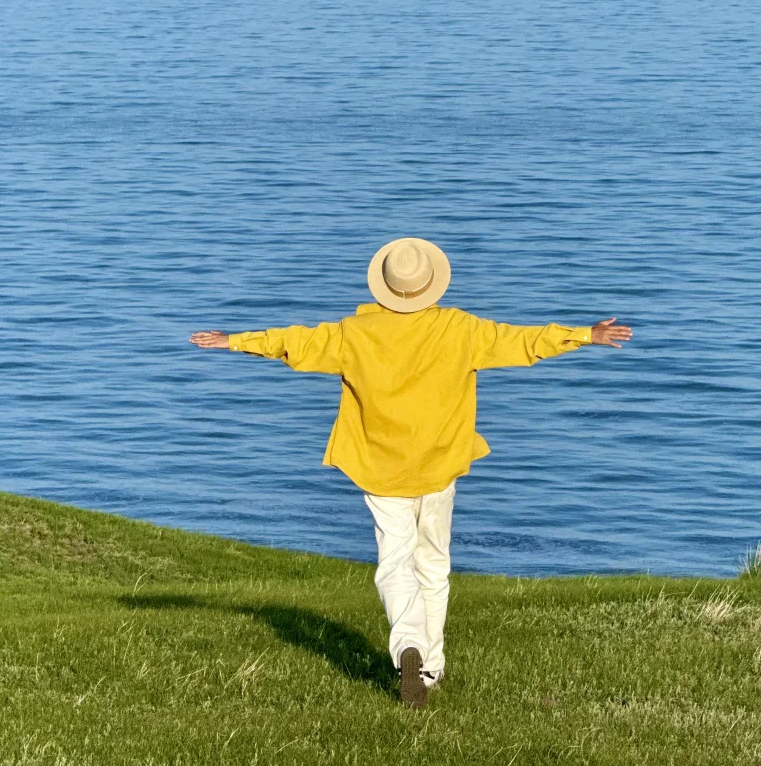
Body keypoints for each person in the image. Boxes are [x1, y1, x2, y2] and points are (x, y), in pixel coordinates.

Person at [190, 237, 632, 708]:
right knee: (433, 564)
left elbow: (292, 343)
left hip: (380, 466)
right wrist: (585, 334)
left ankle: (407, 647)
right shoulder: (460, 330)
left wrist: (233, 341)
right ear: (431, 286)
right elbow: (522, 341)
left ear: (385, 286)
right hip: (438, 464)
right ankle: (430, 668)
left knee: (394, 562)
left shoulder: (354, 334)